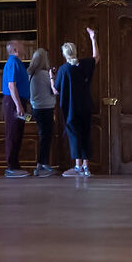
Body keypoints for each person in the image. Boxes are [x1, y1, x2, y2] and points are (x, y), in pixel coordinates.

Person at [54, 25, 98, 177]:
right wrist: (93, 38)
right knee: (85, 134)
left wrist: (50, 77)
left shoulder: (63, 70)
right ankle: (86, 167)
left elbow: (56, 90)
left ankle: (78, 166)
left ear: (65, 54)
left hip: (70, 109)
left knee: (74, 136)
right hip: (85, 107)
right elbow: (96, 57)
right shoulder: (84, 65)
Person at [1, 38, 32, 176]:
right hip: (13, 102)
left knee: (18, 133)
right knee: (13, 134)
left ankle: (15, 165)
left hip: (19, 101)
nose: (25, 47)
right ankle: (11, 167)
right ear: (15, 50)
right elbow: (11, 85)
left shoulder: (18, 63)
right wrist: (19, 105)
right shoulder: (13, 62)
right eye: (22, 45)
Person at [27, 46, 60, 175]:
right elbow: (55, 90)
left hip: (35, 108)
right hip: (46, 109)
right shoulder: (45, 75)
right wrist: (54, 77)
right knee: (46, 136)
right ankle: (42, 163)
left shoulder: (29, 74)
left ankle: (42, 163)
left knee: (43, 135)